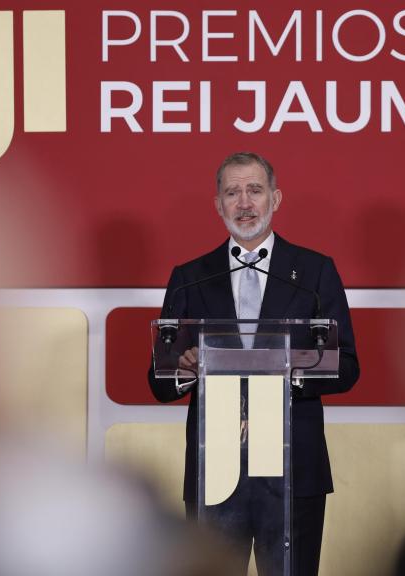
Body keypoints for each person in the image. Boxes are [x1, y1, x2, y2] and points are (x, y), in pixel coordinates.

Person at [148, 152, 359, 576]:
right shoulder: (191, 276)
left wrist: (285, 370)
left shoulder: (315, 272)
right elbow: (159, 381)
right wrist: (185, 371)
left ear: (275, 199)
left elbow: (347, 366)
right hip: (215, 472)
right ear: (218, 204)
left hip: (293, 471)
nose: (244, 203)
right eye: (232, 192)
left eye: (254, 191)